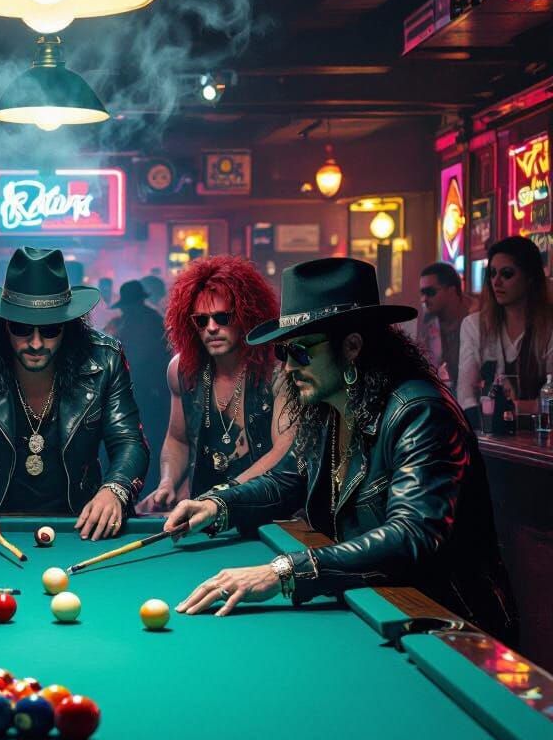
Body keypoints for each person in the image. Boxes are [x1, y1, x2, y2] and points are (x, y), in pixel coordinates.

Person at [165, 257, 516, 641]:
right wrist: (218, 505)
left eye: (301, 352)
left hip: (447, 620)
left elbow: (410, 535)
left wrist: (282, 572)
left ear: (351, 346)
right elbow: (286, 480)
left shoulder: (419, 412)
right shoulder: (330, 409)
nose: (288, 368)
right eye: (284, 353)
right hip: (377, 596)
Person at [0, 246, 149, 542]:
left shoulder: (105, 359)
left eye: (50, 330)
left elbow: (129, 441)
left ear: (68, 326)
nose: (36, 343)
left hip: (81, 524)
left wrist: (115, 490)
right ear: (2, 324)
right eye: (21, 328)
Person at [139, 256, 293, 512]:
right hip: (202, 513)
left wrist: (219, 497)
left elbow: (282, 452)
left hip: (265, 510)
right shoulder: (183, 370)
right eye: (201, 320)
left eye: (223, 317)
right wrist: (167, 482)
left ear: (246, 316)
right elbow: (178, 440)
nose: (211, 328)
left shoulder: (278, 370)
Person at [458, 236, 553, 425]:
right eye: (492, 273)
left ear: (530, 278)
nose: (496, 282)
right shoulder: (474, 326)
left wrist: (509, 407)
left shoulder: (548, 327)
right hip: (488, 434)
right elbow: (466, 394)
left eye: (507, 274)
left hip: (540, 436)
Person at [103, 280, 170, 493]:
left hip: (150, 394)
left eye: (127, 306)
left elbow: (139, 358)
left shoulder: (149, 322)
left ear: (136, 303)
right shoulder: (126, 321)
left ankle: (149, 489)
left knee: (148, 440)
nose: (125, 310)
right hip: (135, 392)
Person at [415, 261, 477, 390]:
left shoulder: (478, 319)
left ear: (452, 291)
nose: (423, 299)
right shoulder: (428, 321)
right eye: (422, 293)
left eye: (430, 292)